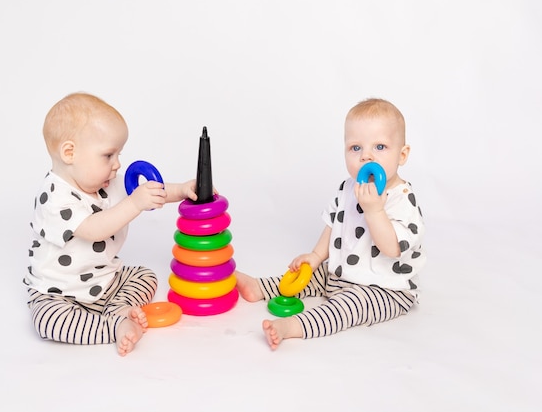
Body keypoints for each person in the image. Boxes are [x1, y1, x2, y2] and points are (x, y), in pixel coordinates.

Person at [236, 98, 426, 350]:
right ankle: (261, 287)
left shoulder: (403, 200)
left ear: (402, 155)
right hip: (340, 274)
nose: (366, 156)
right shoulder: (349, 187)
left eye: (380, 146)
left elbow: (392, 248)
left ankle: (293, 326)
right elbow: (334, 223)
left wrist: (375, 210)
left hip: (384, 289)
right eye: (355, 148)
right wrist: (315, 256)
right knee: (310, 276)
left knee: (347, 307)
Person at [23, 92, 197, 356]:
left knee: (145, 276)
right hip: (59, 293)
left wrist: (181, 190)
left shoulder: (105, 182)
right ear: (70, 153)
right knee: (48, 321)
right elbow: (96, 230)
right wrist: (134, 204)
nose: (117, 165)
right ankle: (112, 325)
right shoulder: (54, 197)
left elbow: (149, 191)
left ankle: (121, 308)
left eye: (119, 154)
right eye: (108, 155)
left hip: (105, 279)